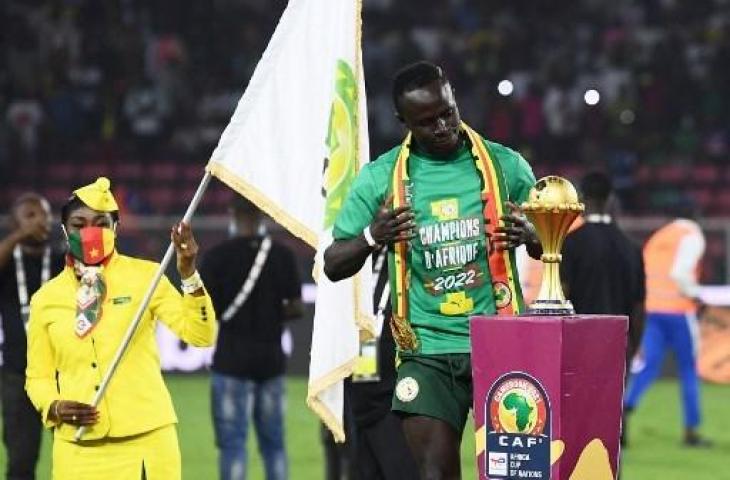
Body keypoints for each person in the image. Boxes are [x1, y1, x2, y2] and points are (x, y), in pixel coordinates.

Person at [323, 61, 540, 479]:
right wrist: (373, 235)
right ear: (404, 122)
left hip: (498, 340)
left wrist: (532, 233)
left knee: (517, 471)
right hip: (427, 352)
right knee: (434, 474)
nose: (442, 126)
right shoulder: (381, 178)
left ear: (454, 99)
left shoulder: (504, 166)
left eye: (448, 112)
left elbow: (554, 237)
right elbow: (333, 263)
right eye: (427, 121)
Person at [24, 177, 217, 479]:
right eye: (78, 223)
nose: (89, 232)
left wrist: (189, 274)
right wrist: (54, 406)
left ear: (115, 228)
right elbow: (38, 376)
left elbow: (200, 335)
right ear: (64, 231)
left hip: (148, 444)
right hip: (78, 450)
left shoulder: (147, 277)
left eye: (101, 223)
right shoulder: (45, 299)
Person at [200, 197, 302, 480]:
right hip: (271, 360)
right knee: (274, 445)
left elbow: (208, 311)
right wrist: (270, 312)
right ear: (261, 215)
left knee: (233, 445)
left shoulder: (216, 256)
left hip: (231, 360)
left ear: (232, 214)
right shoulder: (282, 255)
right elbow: (296, 307)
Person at [623, 200, 711, 447]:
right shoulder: (691, 234)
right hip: (678, 310)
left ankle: (626, 409)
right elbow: (680, 273)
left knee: (648, 366)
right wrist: (696, 296)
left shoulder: (660, 236)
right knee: (688, 369)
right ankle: (691, 431)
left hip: (653, 308)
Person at [0, 193, 65, 480]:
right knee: (21, 460)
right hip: (18, 374)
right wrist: (17, 237)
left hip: (65, 374)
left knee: (76, 453)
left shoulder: (63, 260)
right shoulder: (7, 262)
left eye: (44, 214)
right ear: (14, 223)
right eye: (30, 215)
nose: (40, 220)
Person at [345, 247, 419, 480]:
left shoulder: (411, 261)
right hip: (360, 389)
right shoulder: (361, 263)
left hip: (399, 395)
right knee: (363, 469)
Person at [561, 172, 646, 364]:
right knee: (614, 395)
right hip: (618, 343)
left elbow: (563, 295)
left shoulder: (570, 243)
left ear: (581, 199)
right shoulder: (631, 247)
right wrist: (633, 346)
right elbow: (638, 305)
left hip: (580, 342)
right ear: (610, 199)